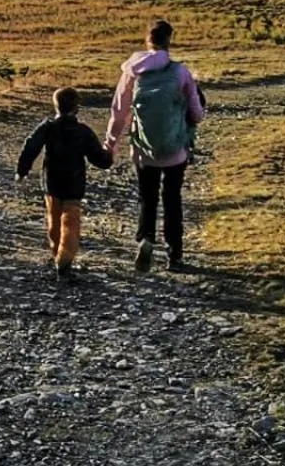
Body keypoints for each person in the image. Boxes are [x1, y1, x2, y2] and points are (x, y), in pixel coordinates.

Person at [106, 18, 206, 272]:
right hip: (175, 150)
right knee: (172, 198)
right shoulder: (180, 71)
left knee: (147, 197)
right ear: (169, 40)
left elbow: (119, 111)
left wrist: (110, 144)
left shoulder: (132, 70)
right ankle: (175, 254)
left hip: (143, 149)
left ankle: (146, 239)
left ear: (147, 40)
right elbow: (196, 112)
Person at [17, 86, 114, 280]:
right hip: (74, 182)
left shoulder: (48, 127)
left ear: (56, 106)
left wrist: (22, 170)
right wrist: (109, 154)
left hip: (52, 181)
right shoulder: (83, 131)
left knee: (53, 219)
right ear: (76, 108)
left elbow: (31, 145)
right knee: (71, 220)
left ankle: (57, 255)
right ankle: (65, 258)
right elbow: (100, 160)